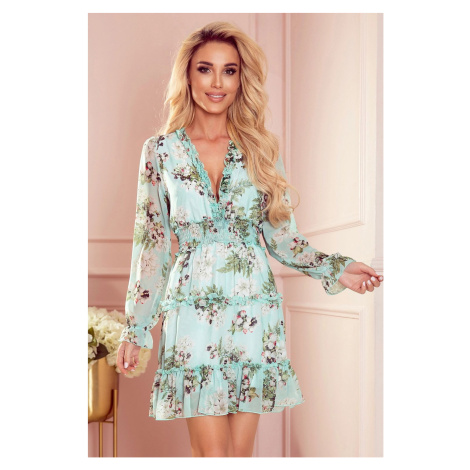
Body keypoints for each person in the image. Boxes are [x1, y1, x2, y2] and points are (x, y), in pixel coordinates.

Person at [116, 21, 383, 458]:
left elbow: (282, 237)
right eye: (205, 69)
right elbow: (153, 244)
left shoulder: (261, 148)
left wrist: (338, 268)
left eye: (230, 71)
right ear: (187, 75)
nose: (217, 83)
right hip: (192, 312)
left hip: (252, 311)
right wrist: (137, 328)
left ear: (242, 79)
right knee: (213, 456)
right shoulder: (160, 151)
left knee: (239, 458)